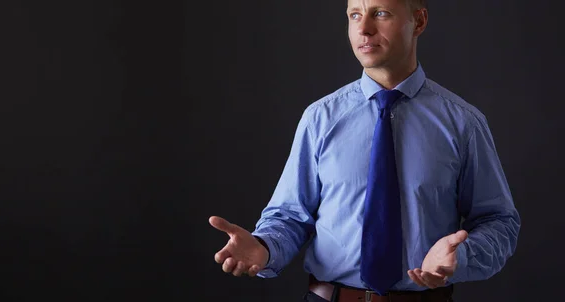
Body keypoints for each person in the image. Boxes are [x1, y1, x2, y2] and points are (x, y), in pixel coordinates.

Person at [209, 0, 521, 301]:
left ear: (420, 21)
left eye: (380, 13)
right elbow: (290, 216)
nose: (364, 29)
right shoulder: (320, 118)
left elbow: (499, 221)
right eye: (354, 15)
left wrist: (462, 256)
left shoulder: (463, 123)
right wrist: (263, 246)